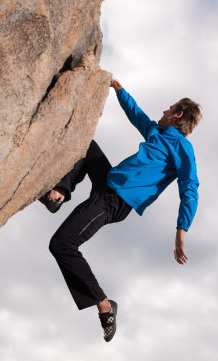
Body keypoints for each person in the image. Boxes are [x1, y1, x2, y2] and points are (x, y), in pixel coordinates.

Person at [41, 79, 202, 342]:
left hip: (115, 202)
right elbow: (136, 114)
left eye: (168, 108)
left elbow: (190, 188)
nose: (163, 111)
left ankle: (104, 304)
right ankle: (59, 193)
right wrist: (118, 88)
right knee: (86, 144)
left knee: (61, 245)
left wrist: (181, 231)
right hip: (109, 181)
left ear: (178, 114)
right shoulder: (156, 132)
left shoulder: (182, 148)